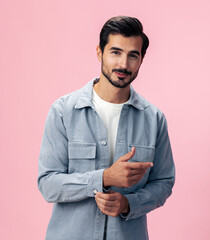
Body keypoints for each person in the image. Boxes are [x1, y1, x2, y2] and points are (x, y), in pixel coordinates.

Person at [38, 16, 175, 240]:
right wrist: (104, 177)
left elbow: (164, 182)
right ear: (100, 52)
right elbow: (48, 184)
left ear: (142, 60)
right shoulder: (63, 112)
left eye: (133, 55)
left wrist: (128, 204)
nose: (123, 64)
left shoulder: (154, 119)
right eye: (116, 52)